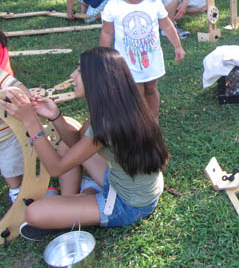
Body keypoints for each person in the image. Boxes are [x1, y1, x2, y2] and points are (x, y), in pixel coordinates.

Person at [0, 47, 170, 241]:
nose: (73, 75)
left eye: (80, 71)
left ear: (96, 79)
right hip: (129, 182)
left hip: (129, 204)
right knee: (65, 145)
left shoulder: (106, 124)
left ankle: (76, 203)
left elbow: (56, 169)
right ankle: (73, 202)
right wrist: (55, 116)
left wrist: (31, 121)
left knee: (34, 213)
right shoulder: (116, 105)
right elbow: (77, 143)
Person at [100, 0, 185, 120]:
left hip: (151, 59)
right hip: (127, 61)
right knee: (136, 93)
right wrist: (104, 57)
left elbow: (166, 25)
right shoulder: (113, 6)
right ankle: (139, 124)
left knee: (152, 89)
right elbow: (107, 33)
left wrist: (178, 46)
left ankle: (153, 121)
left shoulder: (153, 2)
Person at [0, 31, 27, 203]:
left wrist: (20, 95)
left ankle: (15, 190)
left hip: (6, 134)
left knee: (10, 166)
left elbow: (18, 87)